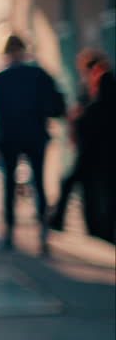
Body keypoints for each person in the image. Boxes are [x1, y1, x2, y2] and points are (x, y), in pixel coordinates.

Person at [0, 35, 65, 256]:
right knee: (39, 183)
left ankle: (9, 232)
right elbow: (56, 105)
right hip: (35, 135)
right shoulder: (39, 74)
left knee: (9, 186)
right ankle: (43, 232)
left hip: (8, 137)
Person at [47, 48, 105, 230]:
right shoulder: (87, 85)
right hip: (88, 144)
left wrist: (80, 115)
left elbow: (101, 110)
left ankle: (59, 220)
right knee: (86, 185)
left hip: (96, 146)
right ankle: (92, 225)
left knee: (72, 181)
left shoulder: (104, 80)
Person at [75, 56, 116, 243]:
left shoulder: (92, 108)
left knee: (97, 193)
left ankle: (100, 230)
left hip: (94, 157)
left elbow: (83, 133)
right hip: (107, 157)